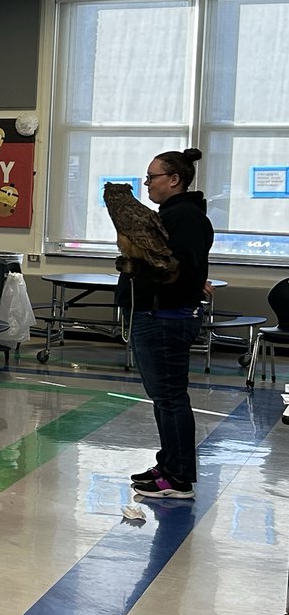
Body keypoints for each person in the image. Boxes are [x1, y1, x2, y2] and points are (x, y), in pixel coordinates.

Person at [123, 148, 213, 500]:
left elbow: (178, 267)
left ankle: (179, 478)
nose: (147, 184)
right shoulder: (170, 215)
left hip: (166, 318)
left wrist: (135, 263)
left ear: (174, 179)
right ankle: (169, 463)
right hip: (155, 315)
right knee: (163, 398)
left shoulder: (185, 218)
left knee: (171, 398)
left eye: (152, 177)